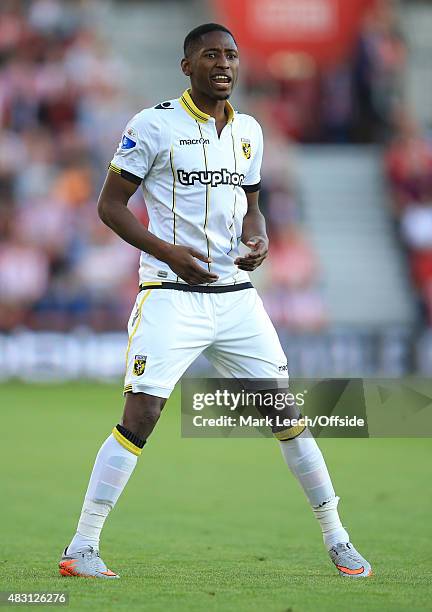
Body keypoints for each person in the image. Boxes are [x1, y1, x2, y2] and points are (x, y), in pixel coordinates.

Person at [58, 23, 372, 580]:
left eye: (231, 55)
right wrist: (168, 253)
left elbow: (252, 204)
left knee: (287, 413)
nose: (224, 64)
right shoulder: (152, 125)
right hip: (171, 294)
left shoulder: (249, 131)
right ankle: (83, 545)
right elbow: (110, 206)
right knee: (142, 414)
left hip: (236, 298)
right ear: (187, 67)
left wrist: (261, 237)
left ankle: (337, 537)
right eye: (211, 55)